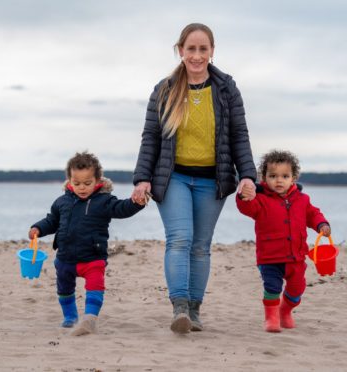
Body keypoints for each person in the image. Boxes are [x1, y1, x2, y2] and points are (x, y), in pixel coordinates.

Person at [131, 23, 257, 334]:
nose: (197, 55)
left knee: (200, 246)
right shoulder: (164, 89)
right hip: (173, 178)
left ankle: (195, 311)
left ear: (212, 52)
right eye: (191, 49)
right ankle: (180, 308)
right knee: (179, 239)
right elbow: (151, 137)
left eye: (203, 49)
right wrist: (142, 178)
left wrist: (248, 176)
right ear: (180, 51)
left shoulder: (227, 89)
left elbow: (239, 135)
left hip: (212, 182)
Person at [29, 151, 145, 336]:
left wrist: (136, 203)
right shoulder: (62, 201)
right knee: (64, 288)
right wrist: (38, 229)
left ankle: (89, 319)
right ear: (69, 180)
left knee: (95, 287)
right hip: (65, 257)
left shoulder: (104, 201)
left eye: (87, 183)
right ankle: (70, 317)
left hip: (93, 256)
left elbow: (122, 208)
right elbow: (52, 221)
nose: (82, 187)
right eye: (77, 183)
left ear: (98, 179)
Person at [236, 150, 331, 332]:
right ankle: (271, 319)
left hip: (296, 257)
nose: (279, 180)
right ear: (264, 178)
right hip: (269, 257)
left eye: (284, 176)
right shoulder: (260, 200)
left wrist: (322, 224)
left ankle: (284, 311)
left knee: (297, 289)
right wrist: (244, 197)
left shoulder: (302, 200)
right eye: (273, 176)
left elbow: (313, 214)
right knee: (272, 288)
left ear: (293, 178)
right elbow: (247, 207)